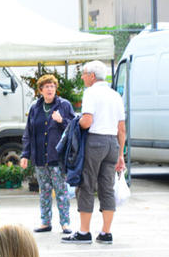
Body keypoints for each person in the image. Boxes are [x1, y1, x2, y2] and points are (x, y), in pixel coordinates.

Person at [62, 60, 126, 244]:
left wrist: (76, 122)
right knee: (107, 187)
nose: (82, 78)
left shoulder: (91, 93)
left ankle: (84, 232)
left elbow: (87, 121)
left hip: (95, 142)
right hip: (112, 143)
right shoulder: (115, 95)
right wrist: (120, 155)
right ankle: (106, 233)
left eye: (84, 74)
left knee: (86, 185)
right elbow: (121, 128)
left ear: (91, 76)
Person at [20, 74, 75, 234]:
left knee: (61, 192)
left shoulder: (64, 105)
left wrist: (61, 121)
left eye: (52, 86)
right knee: (44, 192)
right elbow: (28, 133)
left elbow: (74, 128)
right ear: (41, 90)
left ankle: (65, 223)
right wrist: (25, 154)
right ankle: (45, 222)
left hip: (57, 157)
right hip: (40, 158)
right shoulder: (35, 108)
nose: (50, 89)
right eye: (46, 87)